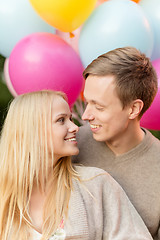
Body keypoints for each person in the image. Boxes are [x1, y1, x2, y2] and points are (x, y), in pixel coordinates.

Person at [0, 90, 153, 240]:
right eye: (61, 120)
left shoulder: (95, 184)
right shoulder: (4, 195)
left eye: (71, 119)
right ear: (32, 130)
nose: (75, 128)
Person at [72, 46, 160, 239]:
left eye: (99, 107)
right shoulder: (70, 145)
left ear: (133, 109)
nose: (86, 116)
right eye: (88, 102)